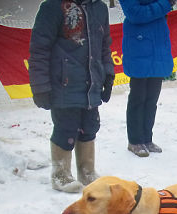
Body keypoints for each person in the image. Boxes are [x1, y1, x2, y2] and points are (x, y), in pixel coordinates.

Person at [29, 0, 115, 193]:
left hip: (91, 82)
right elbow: (39, 49)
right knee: (66, 128)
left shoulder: (99, 8)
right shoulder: (53, 7)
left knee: (89, 127)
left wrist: (108, 73)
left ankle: (87, 171)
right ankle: (61, 174)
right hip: (63, 83)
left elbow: (104, 46)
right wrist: (40, 86)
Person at [119, 0, 174, 157]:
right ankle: (135, 141)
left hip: (158, 45)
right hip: (139, 45)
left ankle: (147, 139)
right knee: (138, 97)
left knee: (152, 99)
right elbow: (135, 14)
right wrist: (165, 4)